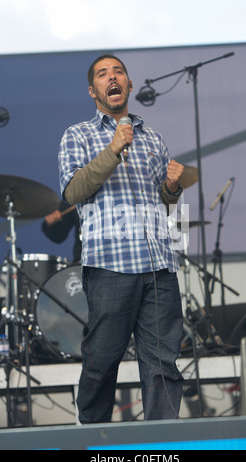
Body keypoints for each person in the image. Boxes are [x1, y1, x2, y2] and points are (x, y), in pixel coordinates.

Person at [58, 54, 185, 424]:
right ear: (93, 90)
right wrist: (113, 150)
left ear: (129, 85)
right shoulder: (77, 135)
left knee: (163, 364)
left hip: (159, 265)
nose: (112, 77)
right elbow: (73, 191)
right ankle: (92, 438)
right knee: (103, 360)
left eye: (118, 72)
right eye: (102, 74)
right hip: (111, 266)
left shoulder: (153, 139)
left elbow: (160, 203)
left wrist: (172, 189)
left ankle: (162, 444)